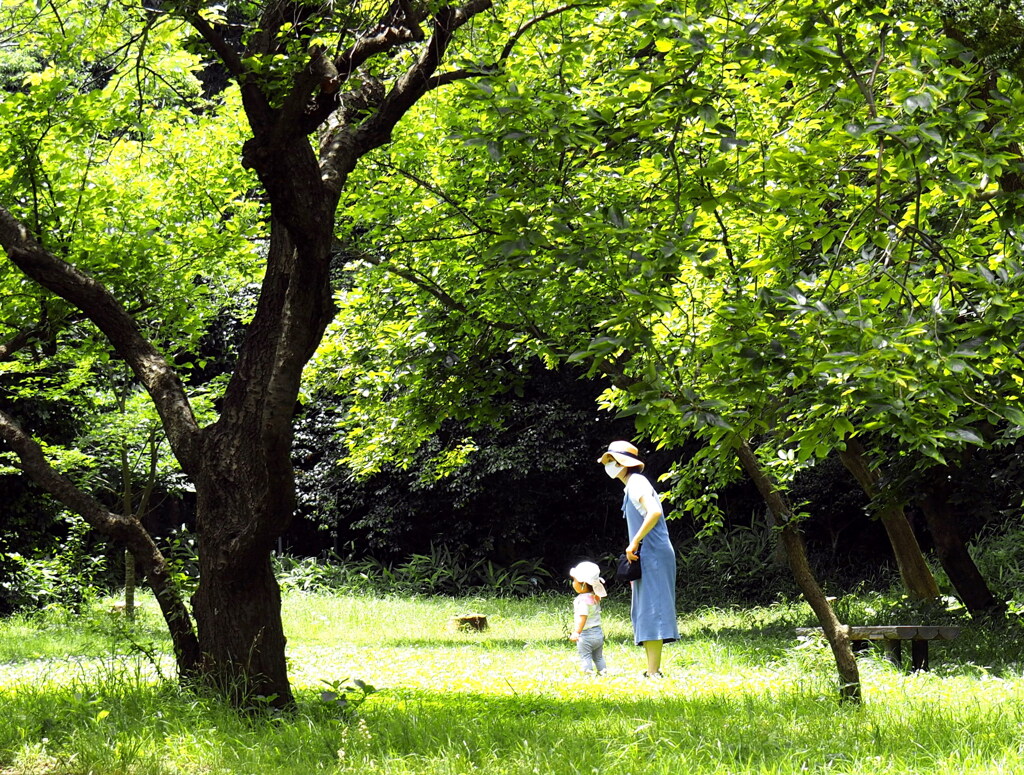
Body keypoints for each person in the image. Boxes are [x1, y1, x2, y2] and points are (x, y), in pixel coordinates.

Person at [598, 440, 679, 677]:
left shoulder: (636, 482)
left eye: (612, 460)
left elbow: (654, 511)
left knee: (652, 609)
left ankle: (653, 673)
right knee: (646, 609)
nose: (608, 465)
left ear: (624, 462)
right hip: (649, 555)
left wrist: (634, 542)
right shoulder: (630, 485)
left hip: (653, 554)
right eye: (607, 461)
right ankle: (652, 670)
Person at [568, 561, 607, 675]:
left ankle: (588, 672)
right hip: (598, 633)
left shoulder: (582, 600)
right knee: (598, 657)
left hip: (586, 635)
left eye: (574, 580)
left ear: (583, 584)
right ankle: (603, 671)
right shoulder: (595, 596)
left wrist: (577, 632)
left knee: (586, 656)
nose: (573, 583)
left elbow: (582, 616)